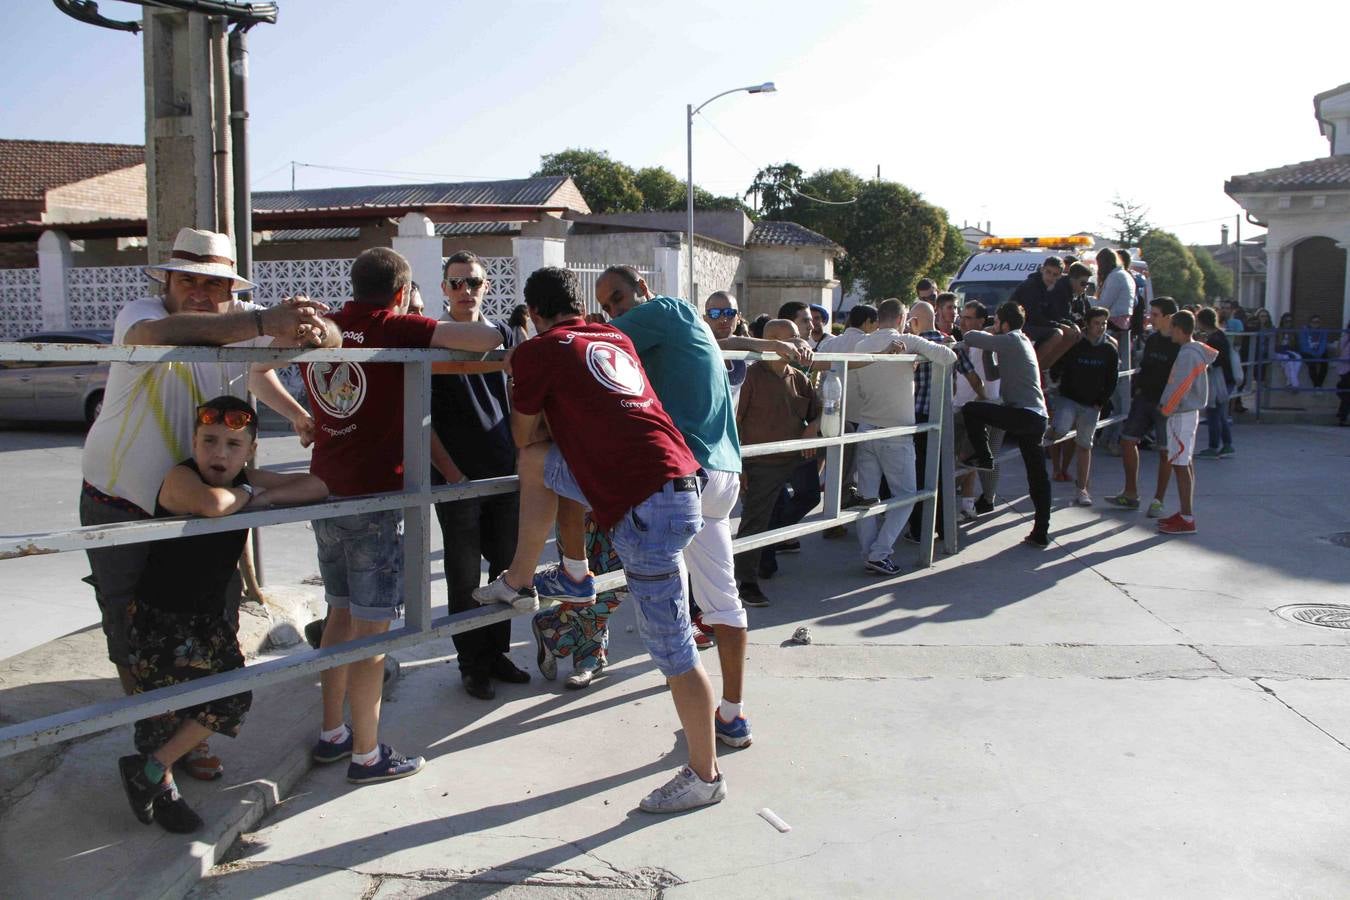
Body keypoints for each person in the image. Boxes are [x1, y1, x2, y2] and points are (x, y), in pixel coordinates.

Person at [82, 227, 333, 779]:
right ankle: (156, 742)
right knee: (130, 630)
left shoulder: (238, 320)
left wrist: (310, 341)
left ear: (230, 290)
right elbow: (162, 333)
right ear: (166, 280)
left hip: (202, 500)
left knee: (210, 619)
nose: (199, 291)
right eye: (188, 279)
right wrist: (268, 323)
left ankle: (187, 738)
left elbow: (267, 363)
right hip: (122, 502)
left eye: (212, 283)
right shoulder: (141, 315)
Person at [474, 266, 725, 813]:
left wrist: (523, 369)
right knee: (544, 462)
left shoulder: (541, 349)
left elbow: (521, 433)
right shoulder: (612, 336)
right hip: (682, 486)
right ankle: (561, 572)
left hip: (649, 506)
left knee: (676, 652)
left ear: (535, 315)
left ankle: (704, 776)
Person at [303, 247, 504, 785]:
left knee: (338, 617)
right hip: (372, 500)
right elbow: (487, 339)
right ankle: (367, 756)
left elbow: (257, 371)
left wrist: (301, 417)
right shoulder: (396, 325)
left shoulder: (327, 325)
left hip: (326, 491)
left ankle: (332, 734)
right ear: (400, 292)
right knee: (371, 634)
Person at [117, 396, 328, 833]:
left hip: (207, 618)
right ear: (193, 441)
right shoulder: (180, 477)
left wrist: (258, 491)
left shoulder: (245, 478)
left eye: (233, 445)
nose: (219, 453)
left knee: (233, 696)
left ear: (249, 450)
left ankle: (151, 772)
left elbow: (317, 486)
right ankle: (161, 780)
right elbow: (213, 505)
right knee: (161, 714)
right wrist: (252, 494)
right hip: (161, 618)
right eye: (209, 441)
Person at [588, 265, 754, 747]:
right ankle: (733, 715)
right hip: (722, 476)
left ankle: (701, 742)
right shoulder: (690, 325)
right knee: (723, 599)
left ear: (643, 288)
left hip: (690, 475)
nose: (614, 311)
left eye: (619, 298)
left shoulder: (665, 308)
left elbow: (594, 342)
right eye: (607, 305)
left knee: (664, 611)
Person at [428, 251, 530, 701]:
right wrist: (452, 475)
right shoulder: (428, 342)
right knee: (464, 576)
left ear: (486, 286)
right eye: (456, 283)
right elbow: (421, 420)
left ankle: (496, 653)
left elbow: (522, 398)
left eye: (473, 282)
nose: (465, 290)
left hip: (505, 475)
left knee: (505, 571)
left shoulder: (505, 337)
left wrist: (522, 461)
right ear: (443, 289)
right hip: (458, 480)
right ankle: (472, 663)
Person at [851, 299, 955, 572]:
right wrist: (917, 353)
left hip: (866, 429)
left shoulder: (861, 346)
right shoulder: (908, 340)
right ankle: (879, 552)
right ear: (902, 318)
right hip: (896, 432)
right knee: (906, 496)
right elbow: (949, 356)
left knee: (867, 498)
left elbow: (861, 388)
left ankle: (870, 552)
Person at [733, 318, 821, 607]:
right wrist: (740, 466)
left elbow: (821, 410)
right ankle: (746, 581)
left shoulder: (799, 377)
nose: (799, 342)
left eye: (798, 337)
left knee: (809, 495)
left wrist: (813, 426)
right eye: (792, 337)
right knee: (756, 520)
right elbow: (734, 422)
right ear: (772, 342)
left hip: (796, 458)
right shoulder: (751, 376)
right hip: (761, 463)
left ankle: (771, 545)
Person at [958, 301, 1052, 548]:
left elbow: (969, 336)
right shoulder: (1020, 342)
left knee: (971, 410)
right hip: (1034, 416)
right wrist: (989, 346)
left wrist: (986, 336)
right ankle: (1041, 530)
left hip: (1024, 414)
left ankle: (983, 456)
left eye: (996, 321)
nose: (993, 325)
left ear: (1006, 324)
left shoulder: (1011, 340)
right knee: (1037, 475)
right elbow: (991, 374)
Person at [1105, 297, 1181, 518]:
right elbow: (1145, 366)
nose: (1150, 318)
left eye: (1155, 314)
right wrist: (1137, 390)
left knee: (1165, 451)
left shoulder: (1179, 343)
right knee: (1128, 440)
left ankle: (1158, 500)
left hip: (1166, 404)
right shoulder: (1153, 339)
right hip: (1144, 398)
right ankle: (1131, 493)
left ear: (1168, 317)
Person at [1046, 307, 1117, 505]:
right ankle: (1047, 434)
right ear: (1087, 324)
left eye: (1104, 323)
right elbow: (1057, 363)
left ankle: (1082, 489)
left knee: (1085, 445)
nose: (1100, 327)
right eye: (1096, 323)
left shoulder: (1109, 349)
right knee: (1060, 429)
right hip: (1068, 398)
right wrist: (1055, 379)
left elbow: (1112, 379)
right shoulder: (1075, 345)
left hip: (1091, 405)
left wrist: (1101, 401)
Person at [1156, 310, 1217, 535]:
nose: (1169, 331)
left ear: (1180, 330)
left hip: (1182, 415)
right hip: (1185, 414)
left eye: (1172, 327)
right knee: (1185, 463)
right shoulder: (1191, 352)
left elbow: (1181, 386)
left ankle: (1187, 517)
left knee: (1181, 465)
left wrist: (1166, 408)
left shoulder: (1188, 354)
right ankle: (1184, 512)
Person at [956, 301, 1002, 517]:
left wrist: (979, 401)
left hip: (982, 407)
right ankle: (976, 501)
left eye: (969, 317)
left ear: (981, 321)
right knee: (975, 458)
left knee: (979, 457)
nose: (963, 321)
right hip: (970, 406)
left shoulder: (984, 342)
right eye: (962, 317)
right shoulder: (970, 341)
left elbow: (987, 380)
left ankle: (980, 501)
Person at [1194, 307, 1237, 460]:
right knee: (1219, 414)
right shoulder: (1220, 336)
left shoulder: (1214, 339)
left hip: (1219, 381)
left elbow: (1214, 361)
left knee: (1214, 414)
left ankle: (1214, 446)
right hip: (1226, 379)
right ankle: (1226, 445)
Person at [1299, 315, 1331, 388]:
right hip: (1307, 352)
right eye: (1313, 322)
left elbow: (1323, 343)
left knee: (1325, 363)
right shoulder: (1304, 330)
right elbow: (1304, 346)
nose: (1315, 324)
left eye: (1317, 322)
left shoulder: (1323, 331)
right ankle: (1316, 385)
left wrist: (1318, 354)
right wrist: (1314, 354)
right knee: (1312, 364)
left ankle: (1319, 385)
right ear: (1309, 323)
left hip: (1319, 352)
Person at [1274, 312, 1302, 390]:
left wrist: (1292, 352)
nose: (1288, 323)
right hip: (1278, 352)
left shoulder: (1294, 332)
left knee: (1298, 359)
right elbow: (1275, 346)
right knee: (1288, 361)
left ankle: (1289, 383)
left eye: (1290, 321)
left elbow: (1296, 346)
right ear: (1282, 321)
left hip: (1290, 351)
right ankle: (1295, 385)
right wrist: (1286, 352)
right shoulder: (1277, 331)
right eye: (1286, 321)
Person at [1335, 321, 1350, 426]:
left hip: (1344, 370)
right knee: (1346, 393)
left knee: (1346, 393)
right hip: (1346, 370)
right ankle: (1342, 417)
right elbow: (1343, 356)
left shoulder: (1345, 338)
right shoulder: (1345, 339)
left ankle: (1342, 416)